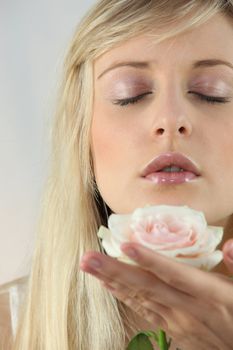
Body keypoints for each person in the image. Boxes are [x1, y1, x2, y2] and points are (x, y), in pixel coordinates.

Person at [13, 1, 233, 349]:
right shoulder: (10, 324)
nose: (170, 119)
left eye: (213, 92)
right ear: (82, 135)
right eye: (129, 94)